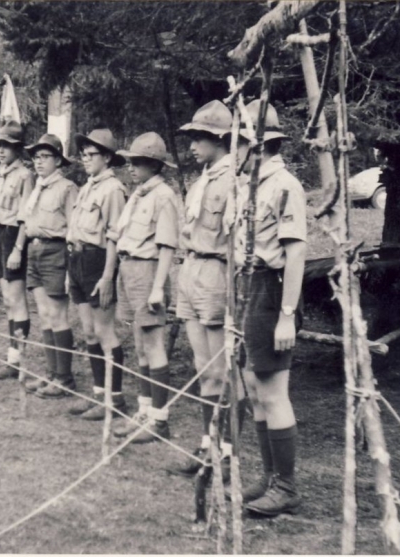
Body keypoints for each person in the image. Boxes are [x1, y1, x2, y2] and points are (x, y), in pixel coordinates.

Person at [234, 100, 307, 516]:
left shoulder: (285, 186)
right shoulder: (253, 185)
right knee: (254, 386)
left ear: (257, 146)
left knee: (274, 391)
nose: (234, 154)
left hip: (270, 290)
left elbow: (295, 253)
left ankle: (287, 486)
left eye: (239, 145)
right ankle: (269, 477)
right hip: (248, 287)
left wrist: (286, 314)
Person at [167, 100, 246, 478]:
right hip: (192, 268)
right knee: (203, 367)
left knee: (223, 368)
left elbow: (237, 240)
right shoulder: (203, 179)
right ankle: (206, 445)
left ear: (219, 139)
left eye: (200, 138)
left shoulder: (235, 179)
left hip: (217, 271)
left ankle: (226, 453)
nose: (193, 146)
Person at [110, 132, 180, 444]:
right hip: (129, 269)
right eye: (129, 162)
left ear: (155, 165)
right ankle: (144, 411)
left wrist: (156, 288)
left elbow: (167, 246)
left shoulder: (163, 196)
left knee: (154, 345)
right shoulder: (139, 194)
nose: (131, 167)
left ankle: (159, 420)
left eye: (138, 162)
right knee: (139, 344)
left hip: (148, 271)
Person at [65, 129, 129, 420]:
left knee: (104, 331)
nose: (86, 160)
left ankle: (115, 400)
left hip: (98, 261)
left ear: (107, 157)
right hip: (77, 258)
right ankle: (98, 395)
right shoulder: (88, 185)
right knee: (89, 331)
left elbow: (115, 236)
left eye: (92, 155)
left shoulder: (113, 189)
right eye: (83, 155)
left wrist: (107, 276)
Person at [18, 134, 78, 398]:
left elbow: (74, 229)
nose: (38, 162)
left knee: (57, 314)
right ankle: (52, 373)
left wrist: (70, 265)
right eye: (35, 157)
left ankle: (65, 378)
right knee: (44, 313)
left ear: (57, 160)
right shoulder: (37, 187)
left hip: (56, 251)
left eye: (44, 157)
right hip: (35, 250)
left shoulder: (67, 188)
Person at [0, 120, 34, 380]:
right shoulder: (0, 173)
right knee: (6, 299)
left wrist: (17, 249)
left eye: (7, 146)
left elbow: (25, 217)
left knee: (16, 299)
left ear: (18, 148)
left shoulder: (25, 175)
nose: (1, 150)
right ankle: (12, 357)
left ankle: (18, 360)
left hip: (15, 237)